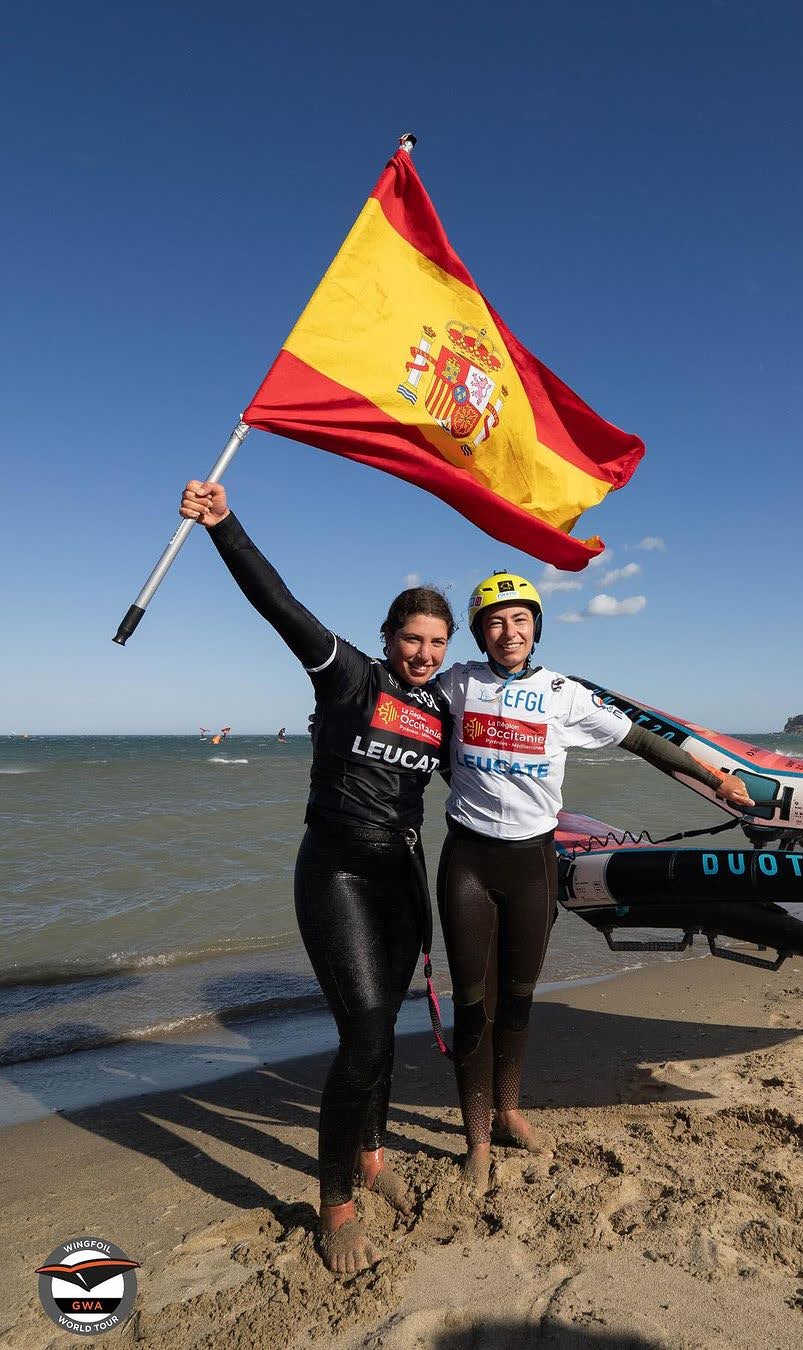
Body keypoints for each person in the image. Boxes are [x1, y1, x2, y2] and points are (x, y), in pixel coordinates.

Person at [179, 480, 454, 1275]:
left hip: (401, 876)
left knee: (385, 1036)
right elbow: (279, 603)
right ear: (388, 636)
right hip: (334, 870)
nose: (424, 654)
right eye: (412, 639)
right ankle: (335, 1201)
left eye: (435, 643)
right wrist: (225, 525)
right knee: (362, 1037)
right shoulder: (349, 677)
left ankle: (371, 1155)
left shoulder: (440, 710)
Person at [435, 570, 754, 1193]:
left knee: (520, 997)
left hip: (533, 865)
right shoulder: (456, 683)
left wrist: (715, 779)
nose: (509, 632)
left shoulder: (564, 696)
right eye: (495, 622)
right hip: (468, 862)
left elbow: (641, 741)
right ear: (479, 632)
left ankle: (507, 1111)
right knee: (474, 1004)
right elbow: (392, 703)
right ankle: (476, 1141)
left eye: (520, 619)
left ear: (536, 627)